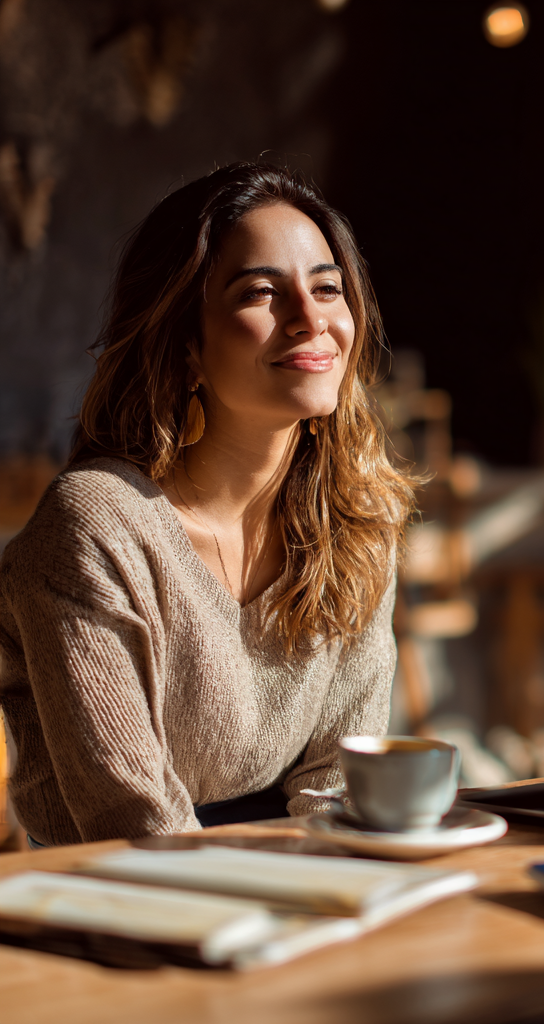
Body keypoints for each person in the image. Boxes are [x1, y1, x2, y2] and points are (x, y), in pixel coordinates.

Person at [0, 163, 415, 846]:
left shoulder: (357, 521)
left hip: (296, 890)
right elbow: (135, 823)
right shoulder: (97, 526)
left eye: (327, 288)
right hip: (112, 904)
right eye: (260, 292)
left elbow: (338, 787)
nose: (311, 319)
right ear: (187, 343)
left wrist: (329, 904)